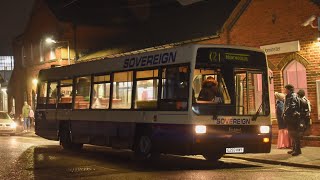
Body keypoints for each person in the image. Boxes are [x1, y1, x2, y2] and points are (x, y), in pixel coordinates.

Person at [283, 84, 301, 156]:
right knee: (292, 134)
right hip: (290, 118)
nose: (284, 90)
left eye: (285, 89)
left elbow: (292, 107)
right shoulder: (289, 96)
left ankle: (297, 150)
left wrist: (285, 113)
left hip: (293, 119)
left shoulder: (293, 96)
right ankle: (294, 149)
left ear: (289, 89)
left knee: (294, 134)